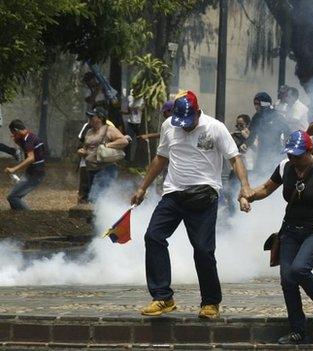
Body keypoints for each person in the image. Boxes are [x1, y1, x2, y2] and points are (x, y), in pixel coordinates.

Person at [130, 90, 252, 319]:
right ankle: (162, 297)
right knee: (153, 236)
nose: (184, 127)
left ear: (197, 112)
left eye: (188, 122)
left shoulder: (215, 127)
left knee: (203, 251)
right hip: (173, 194)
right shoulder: (169, 126)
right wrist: (142, 187)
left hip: (204, 195)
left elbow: (234, 158)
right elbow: (161, 157)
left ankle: (210, 302)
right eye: (180, 123)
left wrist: (244, 187)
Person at [239, 130, 313, 344]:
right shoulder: (285, 167)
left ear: (309, 151)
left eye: (297, 155)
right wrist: (249, 197)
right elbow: (266, 188)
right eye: (290, 154)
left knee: (299, 269)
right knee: (287, 279)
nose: (293, 158)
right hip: (290, 231)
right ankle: (298, 330)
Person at [77, 107, 128, 202]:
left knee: (95, 197)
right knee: (92, 198)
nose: (89, 118)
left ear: (100, 118)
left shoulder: (109, 129)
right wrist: (82, 151)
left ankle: (101, 216)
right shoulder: (89, 131)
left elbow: (124, 141)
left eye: (92, 116)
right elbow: (86, 147)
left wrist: (107, 145)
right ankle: (97, 216)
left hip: (106, 169)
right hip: (91, 169)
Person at [241, 92, 290, 178]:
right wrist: (246, 144)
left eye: (257, 104)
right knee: (261, 175)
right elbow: (252, 135)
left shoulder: (277, 116)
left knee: (274, 175)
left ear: (264, 103)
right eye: (254, 104)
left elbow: (287, 132)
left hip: (275, 152)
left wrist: (286, 149)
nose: (255, 106)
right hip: (262, 152)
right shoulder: (256, 117)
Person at [4, 119, 46, 210]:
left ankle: (29, 216)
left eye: (13, 133)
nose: (13, 136)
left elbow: (31, 158)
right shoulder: (29, 137)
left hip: (35, 174)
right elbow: (28, 150)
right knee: (14, 196)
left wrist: (14, 169)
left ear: (16, 130)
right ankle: (18, 215)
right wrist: (17, 141)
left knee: (13, 197)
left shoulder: (28, 140)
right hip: (31, 172)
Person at [122, 89, 145, 162]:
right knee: (127, 141)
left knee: (141, 141)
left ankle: (139, 160)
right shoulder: (130, 97)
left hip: (140, 123)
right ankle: (127, 159)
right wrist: (123, 112)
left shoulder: (143, 99)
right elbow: (129, 110)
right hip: (131, 122)